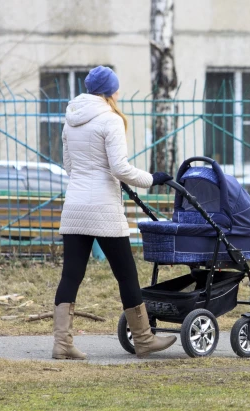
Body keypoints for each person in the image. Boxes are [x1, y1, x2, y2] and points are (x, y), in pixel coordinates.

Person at [52, 66, 176, 360]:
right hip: (104, 208)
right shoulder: (110, 120)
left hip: (75, 206)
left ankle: (61, 343)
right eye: (117, 88)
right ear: (110, 92)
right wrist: (152, 179)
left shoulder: (70, 120)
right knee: (126, 275)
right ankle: (144, 340)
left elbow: (70, 167)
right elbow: (120, 168)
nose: (119, 92)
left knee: (71, 275)